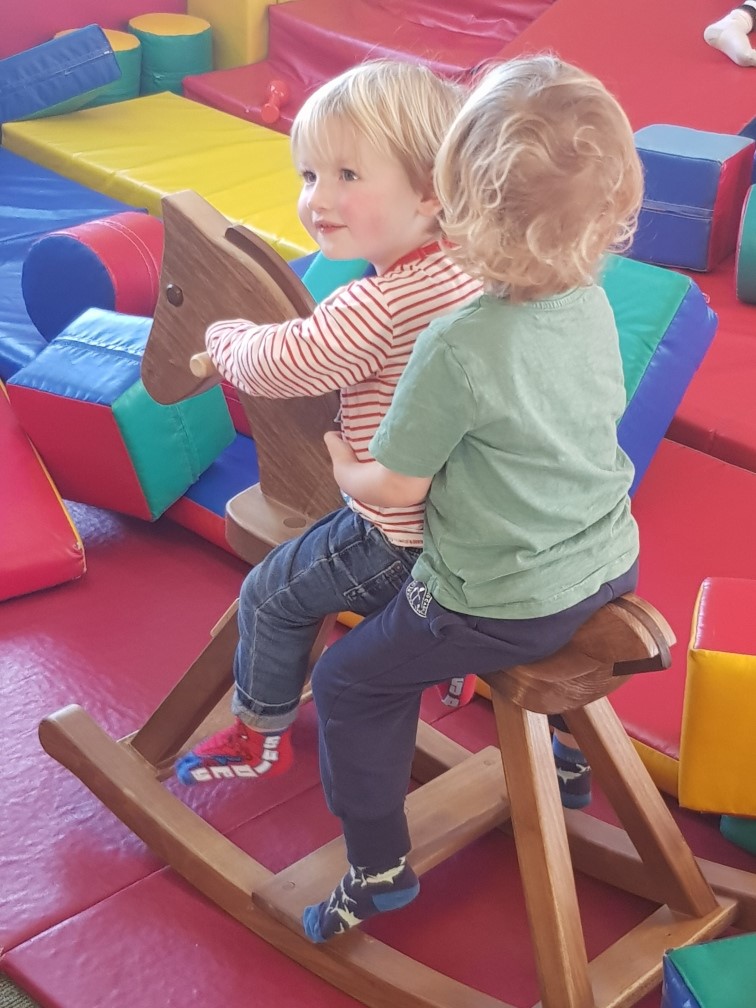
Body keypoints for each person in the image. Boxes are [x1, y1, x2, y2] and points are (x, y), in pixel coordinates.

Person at [303, 53, 643, 943]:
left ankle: (377, 866)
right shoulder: (594, 300)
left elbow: (395, 484)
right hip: (611, 559)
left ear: (451, 205)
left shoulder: (455, 345)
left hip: (500, 602)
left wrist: (344, 470)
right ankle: (566, 759)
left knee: (347, 680)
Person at [174, 60, 482, 786]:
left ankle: (256, 731)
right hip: (477, 521)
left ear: (433, 191)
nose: (318, 200)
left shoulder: (378, 304)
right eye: (310, 176)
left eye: (347, 175)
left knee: (271, 595)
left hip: (402, 532)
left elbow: (283, 365)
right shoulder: (473, 270)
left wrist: (222, 338)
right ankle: (446, 656)